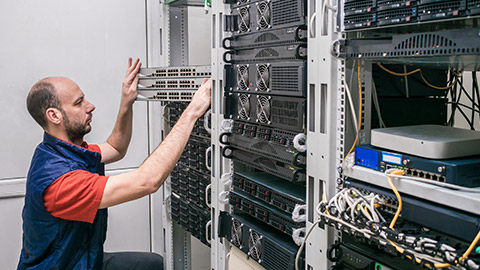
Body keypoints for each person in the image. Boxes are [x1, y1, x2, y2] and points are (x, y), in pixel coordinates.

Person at [18, 58, 212, 270]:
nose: (90, 106)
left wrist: (126, 102)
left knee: (153, 264)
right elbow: (147, 182)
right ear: (54, 116)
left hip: (79, 257)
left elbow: (115, 148)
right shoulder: (61, 183)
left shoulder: (60, 152)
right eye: (78, 102)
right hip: (64, 265)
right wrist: (192, 111)